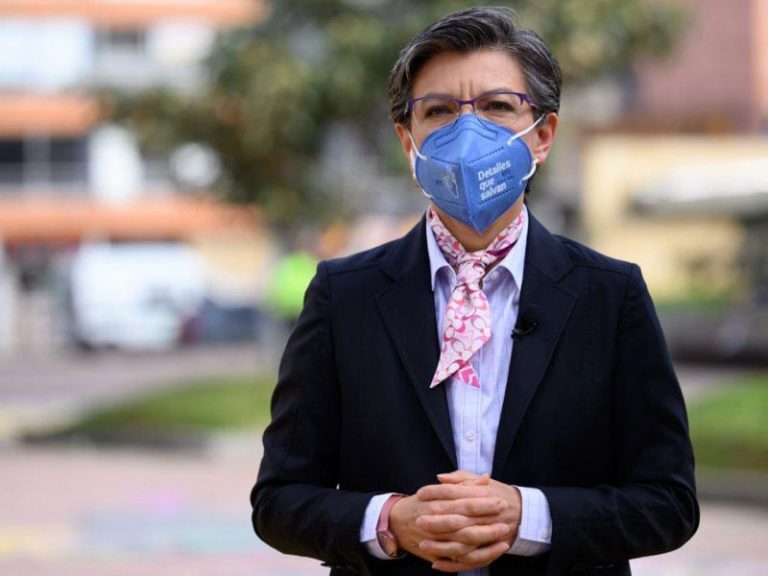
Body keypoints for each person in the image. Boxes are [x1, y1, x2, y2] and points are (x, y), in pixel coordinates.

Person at [250, 7, 699, 576]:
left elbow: (668, 501)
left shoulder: (610, 296)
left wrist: (527, 517)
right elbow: (279, 500)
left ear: (543, 136)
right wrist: (390, 522)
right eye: (438, 111)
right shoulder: (344, 297)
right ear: (407, 141)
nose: (468, 132)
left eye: (497, 106)